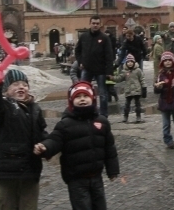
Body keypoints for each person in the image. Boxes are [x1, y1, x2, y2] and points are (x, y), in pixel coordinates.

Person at [34, 81, 119, 210]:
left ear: (92, 99)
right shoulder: (65, 124)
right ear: (71, 101)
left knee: (100, 206)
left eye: (85, 96)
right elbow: (55, 140)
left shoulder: (102, 122)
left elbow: (109, 148)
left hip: (96, 177)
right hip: (76, 179)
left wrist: (112, 170)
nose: (82, 99)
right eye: (78, 97)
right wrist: (45, 147)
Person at [0, 69, 48, 210]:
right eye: (16, 84)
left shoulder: (35, 109)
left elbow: (42, 133)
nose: (21, 87)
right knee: (6, 205)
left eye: (24, 84)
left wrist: (46, 146)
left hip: (31, 170)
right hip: (8, 171)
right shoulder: (3, 107)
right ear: (6, 90)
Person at [75, 15, 114, 118]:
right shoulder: (84, 36)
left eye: (97, 23)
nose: (95, 25)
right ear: (90, 23)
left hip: (100, 70)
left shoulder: (104, 38)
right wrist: (80, 62)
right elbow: (77, 51)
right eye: (93, 23)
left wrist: (109, 71)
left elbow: (109, 55)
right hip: (87, 68)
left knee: (102, 94)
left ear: (100, 24)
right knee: (84, 91)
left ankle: (103, 115)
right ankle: (86, 112)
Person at [115, 54, 146, 123]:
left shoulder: (138, 70)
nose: (130, 63)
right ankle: (125, 117)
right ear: (126, 63)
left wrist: (144, 87)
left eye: (131, 62)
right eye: (128, 62)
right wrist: (112, 78)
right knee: (127, 105)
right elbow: (119, 78)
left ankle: (138, 117)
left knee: (137, 104)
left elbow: (142, 79)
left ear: (134, 62)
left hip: (137, 90)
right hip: (128, 90)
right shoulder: (124, 71)